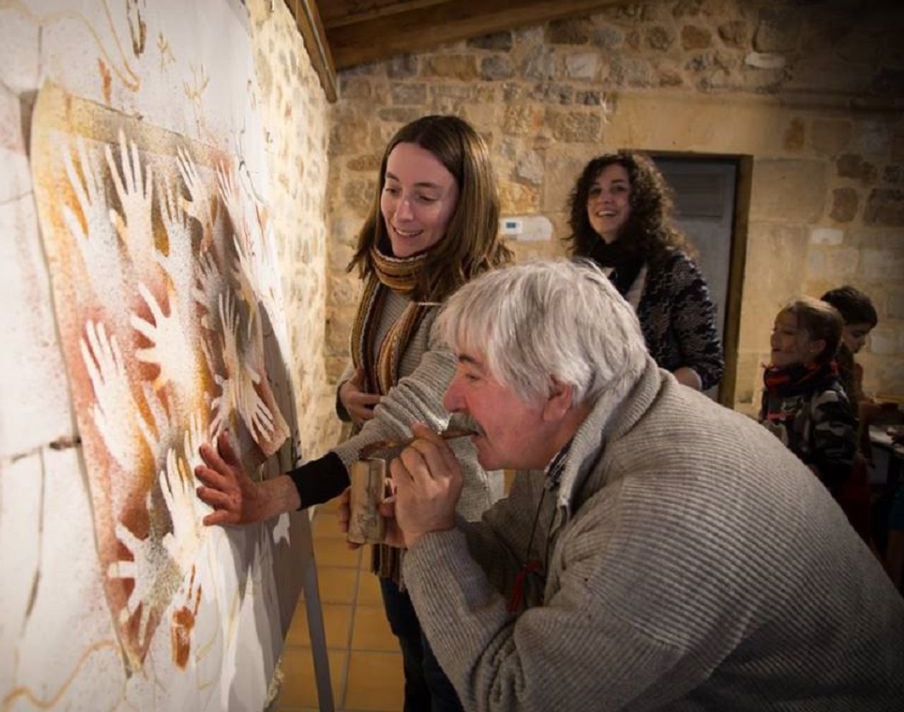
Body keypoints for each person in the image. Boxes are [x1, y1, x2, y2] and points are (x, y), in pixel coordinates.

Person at [356, 259, 903, 710]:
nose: (451, 399)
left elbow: (515, 698)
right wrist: (432, 526)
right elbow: (512, 548)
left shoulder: (662, 515)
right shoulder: (594, 423)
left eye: (473, 374)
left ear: (555, 391)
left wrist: (432, 541)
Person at [195, 115, 512, 711]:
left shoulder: (477, 301)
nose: (401, 212)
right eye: (393, 186)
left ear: (464, 206)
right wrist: (345, 395)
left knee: (451, 684)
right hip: (388, 510)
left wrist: (277, 495)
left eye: (426, 195)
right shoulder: (389, 272)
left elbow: (408, 414)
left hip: (453, 518)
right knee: (413, 663)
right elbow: (378, 380)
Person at [565, 152, 723, 391]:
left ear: (641, 200)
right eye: (594, 191)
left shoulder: (672, 269)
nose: (604, 198)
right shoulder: (580, 270)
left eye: (618, 189)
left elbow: (708, 364)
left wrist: (649, 394)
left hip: (651, 417)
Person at [759, 297, 857, 496]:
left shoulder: (827, 398)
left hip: (804, 502)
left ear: (816, 346)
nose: (774, 339)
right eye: (774, 330)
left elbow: (835, 470)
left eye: (787, 332)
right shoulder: (776, 387)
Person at [821, 285, 879, 541]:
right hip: (835, 470)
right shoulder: (827, 367)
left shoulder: (849, 368)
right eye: (857, 334)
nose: (862, 342)